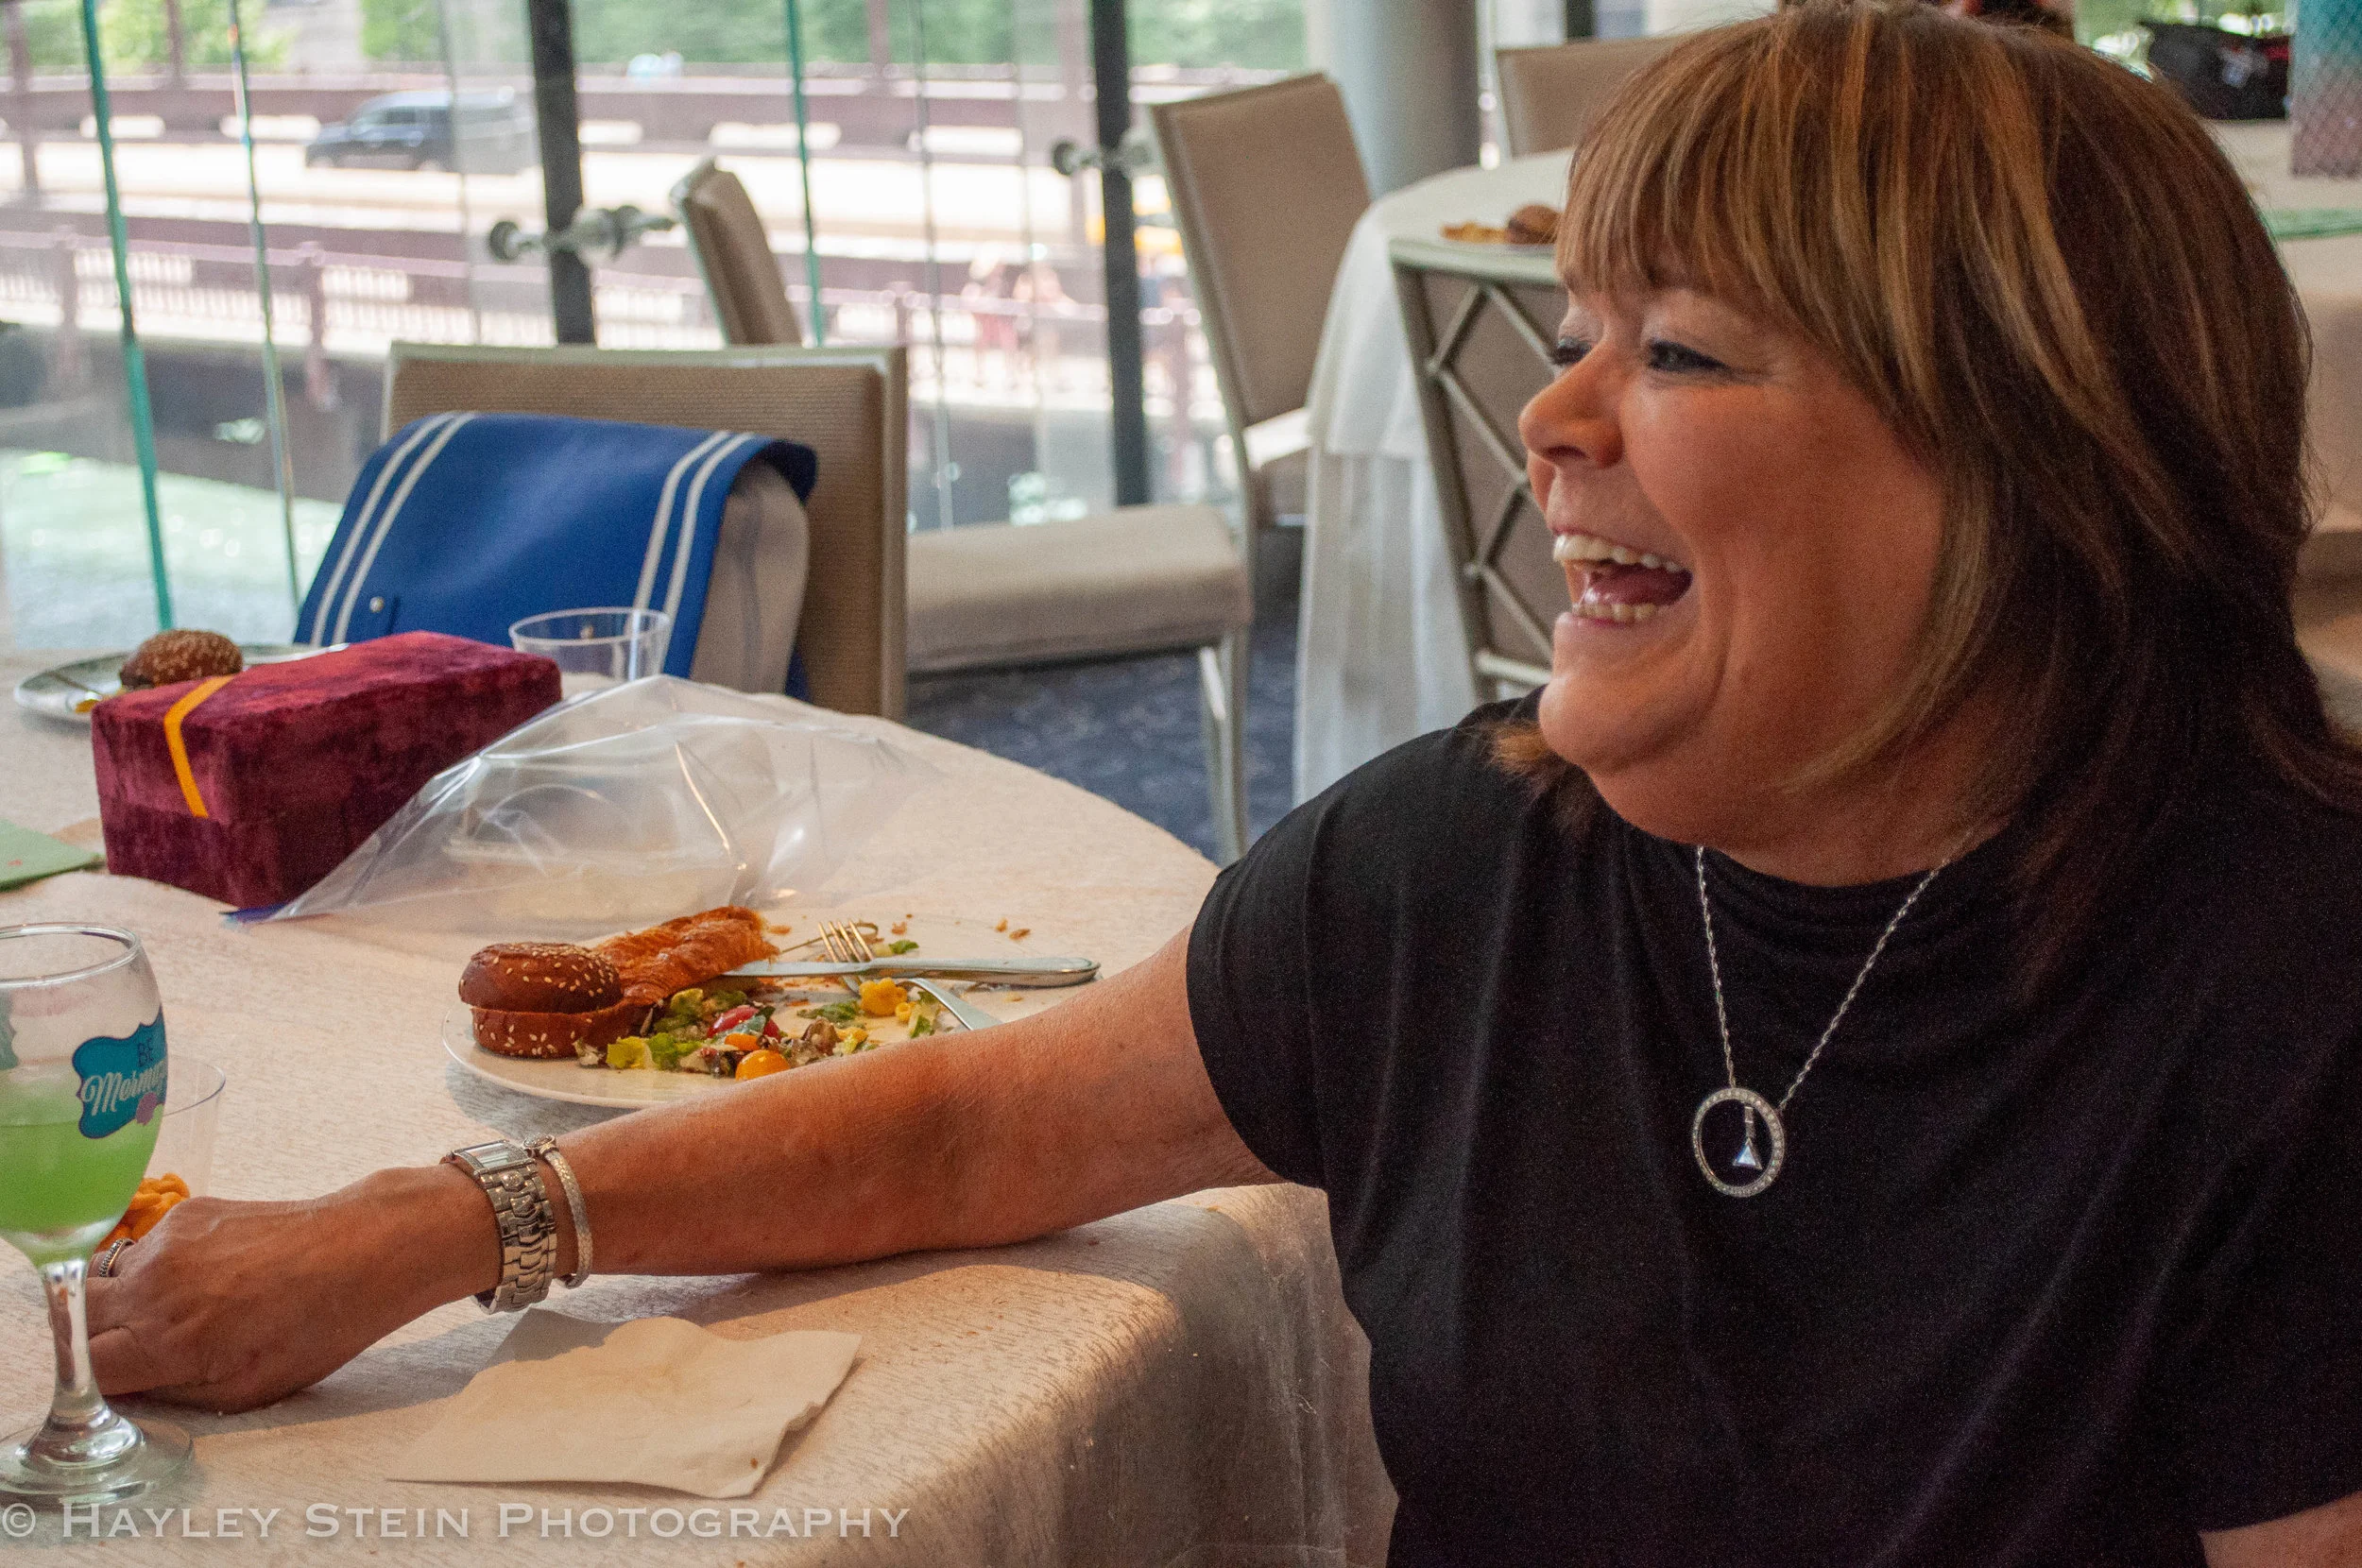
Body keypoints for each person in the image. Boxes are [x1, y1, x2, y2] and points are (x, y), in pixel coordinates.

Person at [87, 5, 2362, 1561]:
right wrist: (443, 1225)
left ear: (2022, 469)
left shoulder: (2287, 993)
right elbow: (978, 1120)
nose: (1548, 419)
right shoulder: (1468, 859)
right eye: (1572, 330)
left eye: (1674, 349)